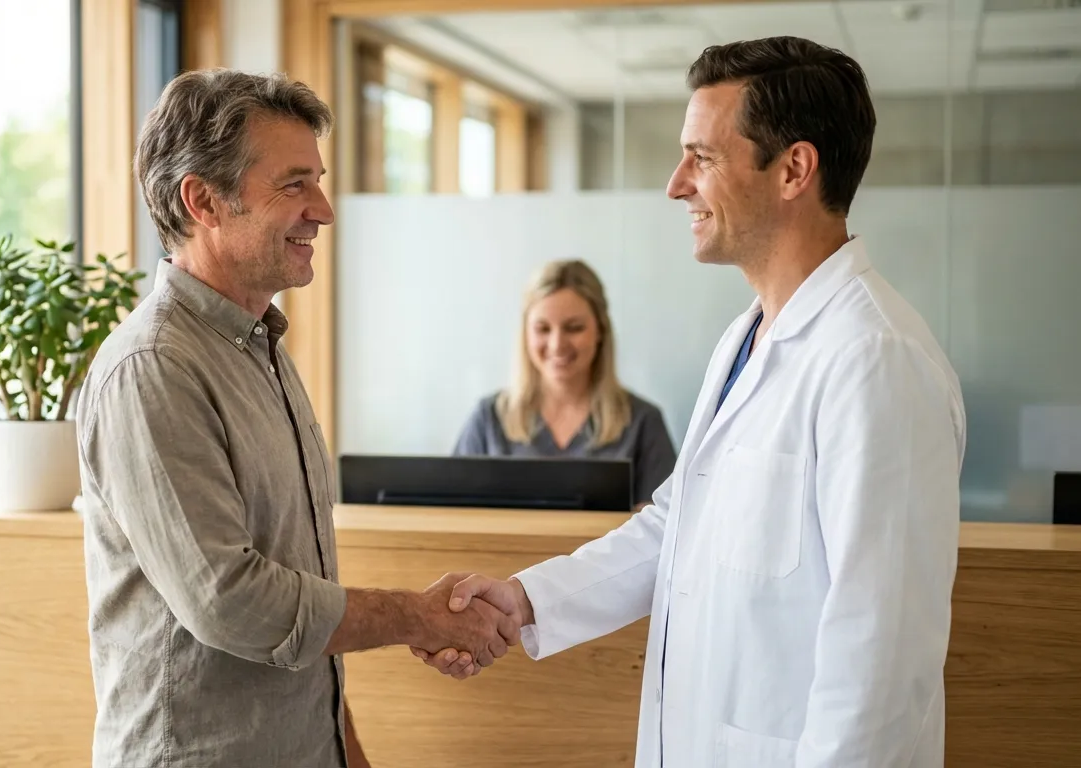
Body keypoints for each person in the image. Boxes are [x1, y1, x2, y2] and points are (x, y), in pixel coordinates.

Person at [414, 36, 967, 768]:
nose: (677, 184)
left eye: (701, 158)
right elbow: (675, 528)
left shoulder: (875, 361)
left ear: (794, 169)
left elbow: (882, 665)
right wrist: (526, 600)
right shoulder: (747, 339)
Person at [74, 69, 519, 768]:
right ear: (203, 200)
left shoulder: (264, 351)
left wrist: (347, 751)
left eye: (317, 179)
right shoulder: (154, 369)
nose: (323, 208)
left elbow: (297, 598)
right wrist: (417, 614)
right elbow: (233, 602)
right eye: (294, 184)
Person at [452, 259, 676, 508]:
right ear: (526, 333)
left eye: (574, 328)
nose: (557, 344)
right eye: (543, 329)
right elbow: (455, 517)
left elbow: (662, 529)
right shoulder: (488, 419)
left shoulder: (643, 423)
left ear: (600, 330)